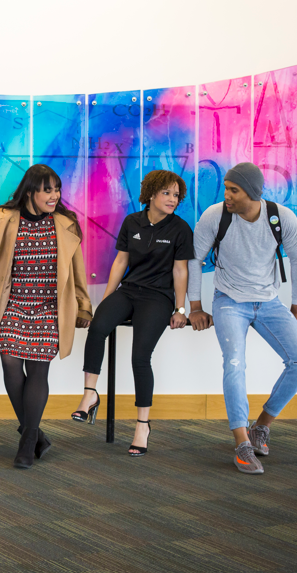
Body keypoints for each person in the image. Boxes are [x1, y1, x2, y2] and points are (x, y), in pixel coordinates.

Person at [188, 162, 297, 475]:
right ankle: (242, 443)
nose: (226, 195)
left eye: (234, 190)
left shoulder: (281, 218)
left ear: (253, 193)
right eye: (226, 188)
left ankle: (261, 426)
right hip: (229, 301)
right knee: (234, 363)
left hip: (269, 301)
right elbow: (194, 260)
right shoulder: (215, 216)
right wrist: (196, 306)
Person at [0, 164, 92, 469]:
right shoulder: (3, 220)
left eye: (57, 189)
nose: (54, 195)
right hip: (13, 305)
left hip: (49, 308)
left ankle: (28, 440)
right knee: (10, 365)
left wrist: (83, 305)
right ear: (30, 191)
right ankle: (35, 433)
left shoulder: (66, 223)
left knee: (38, 371)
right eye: (47, 190)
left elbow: (77, 270)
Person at [72, 170, 193, 456]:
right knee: (98, 327)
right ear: (151, 194)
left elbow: (180, 270)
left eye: (176, 195)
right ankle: (90, 394)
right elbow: (121, 262)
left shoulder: (180, 228)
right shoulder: (132, 222)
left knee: (139, 357)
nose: (172, 199)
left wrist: (180, 308)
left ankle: (142, 425)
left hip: (158, 297)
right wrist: (106, 298)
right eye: (166, 193)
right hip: (129, 289)